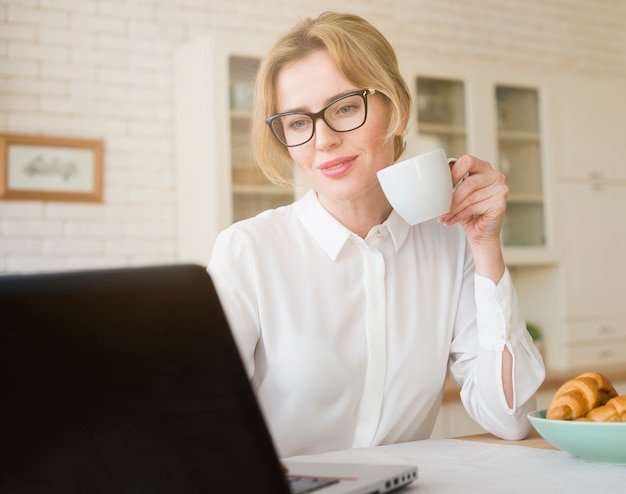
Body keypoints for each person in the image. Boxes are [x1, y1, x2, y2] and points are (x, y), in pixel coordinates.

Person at [208, 11, 545, 458]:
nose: (322, 140)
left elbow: (512, 419)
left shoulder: (449, 242)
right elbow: (202, 428)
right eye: (297, 122)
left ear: (397, 110)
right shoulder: (248, 252)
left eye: (345, 107)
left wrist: (485, 245)